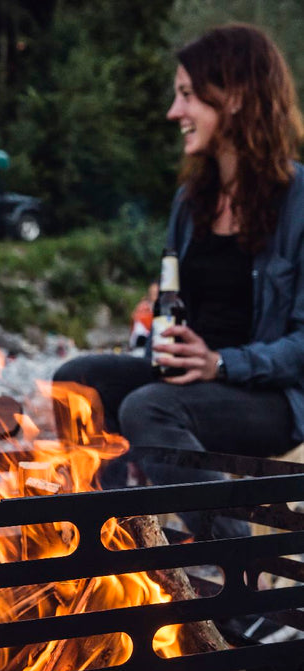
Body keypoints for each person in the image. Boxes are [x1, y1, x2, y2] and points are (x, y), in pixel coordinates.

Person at [54, 23, 304, 539]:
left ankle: (241, 579)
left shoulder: (299, 199)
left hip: (272, 395)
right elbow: (174, 305)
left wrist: (221, 362)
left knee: (148, 408)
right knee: (77, 381)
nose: (174, 112)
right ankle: (119, 551)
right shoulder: (190, 204)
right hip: (192, 380)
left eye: (187, 95)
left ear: (234, 96)